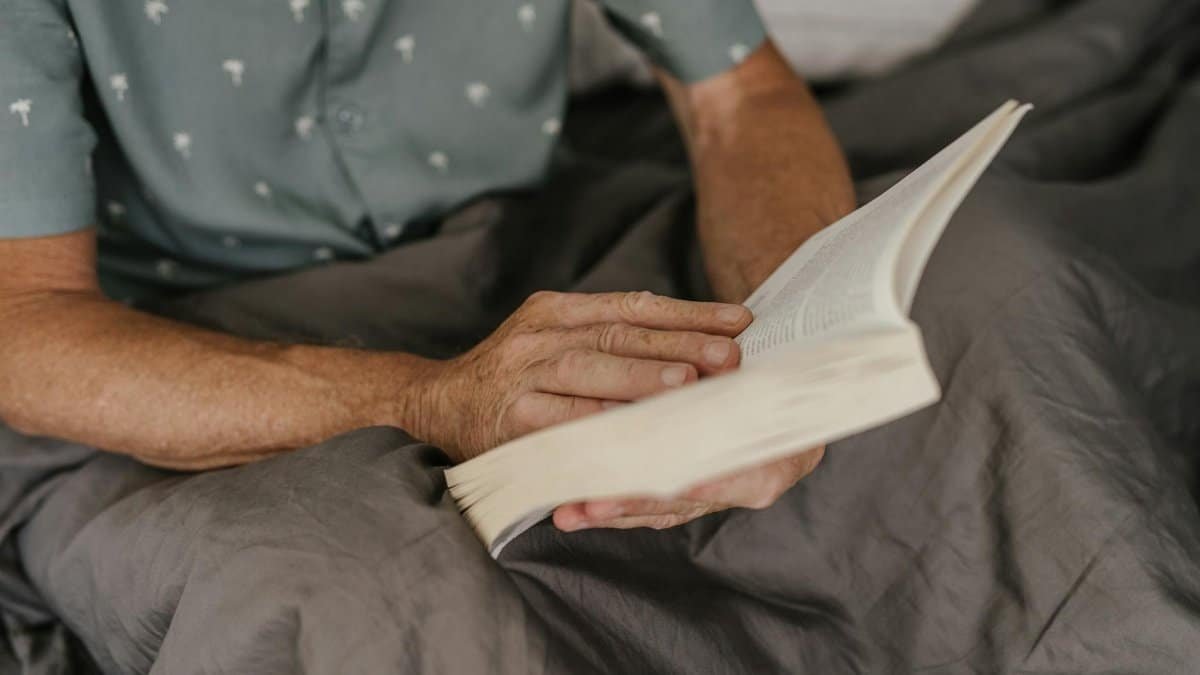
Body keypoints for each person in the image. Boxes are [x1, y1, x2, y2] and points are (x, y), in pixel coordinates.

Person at [0, 2, 852, 535]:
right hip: (191, 351)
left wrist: (781, 352)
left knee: (936, 389)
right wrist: (427, 398)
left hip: (524, 255)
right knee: (356, 616)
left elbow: (740, 98)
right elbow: (24, 320)